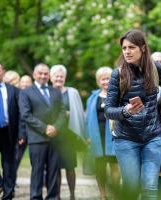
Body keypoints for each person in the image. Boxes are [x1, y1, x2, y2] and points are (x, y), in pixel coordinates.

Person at [104, 29, 161, 199]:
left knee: (150, 188)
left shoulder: (155, 69)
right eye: (124, 48)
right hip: (126, 140)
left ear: (143, 48)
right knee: (132, 189)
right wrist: (125, 111)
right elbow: (108, 111)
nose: (127, 51)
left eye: (131, 47)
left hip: (152, 138)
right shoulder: (117, 74)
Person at [19, 63, 65, 199]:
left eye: (46, 73)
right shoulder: (26, 92)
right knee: (37, 172)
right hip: (37, 138)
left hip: (55, 138)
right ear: (34, 75)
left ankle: (52, 197)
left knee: (53, 171)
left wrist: (56, 127)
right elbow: (26, 115)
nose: (43, 76)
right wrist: (45, 128)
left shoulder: (55, 91)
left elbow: (62, 112)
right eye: (40, 73)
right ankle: (35, 197)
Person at [50, 64, 86, 200]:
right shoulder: (47, 91)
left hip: (69, 135)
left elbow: (79, 114)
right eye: (56, 76)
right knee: (55, 167)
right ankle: (57, 196)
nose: (59, 78)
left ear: (64, 78)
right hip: (53, 135)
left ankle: (72, 195)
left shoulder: (73, 92)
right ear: (51, 77)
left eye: (61, 76)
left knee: (70, 167)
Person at [86, 66, 120, 200]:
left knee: (114, 167)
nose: (106, 82)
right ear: (98, 81)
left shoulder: (118, 95)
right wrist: (87, 136)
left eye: (108, 79)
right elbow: (87, 119)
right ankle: (102, 195)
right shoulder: (92, 98)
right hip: (97, 137)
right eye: (103, 79)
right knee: (100, 168)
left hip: (113, 136)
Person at [0, 64, 20, 199]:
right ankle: (0, 183)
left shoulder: (13, 90)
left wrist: (21, 133)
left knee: (8, 165)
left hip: (8, 132)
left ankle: (7, 194)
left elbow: (20, 113)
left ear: (3, 72)